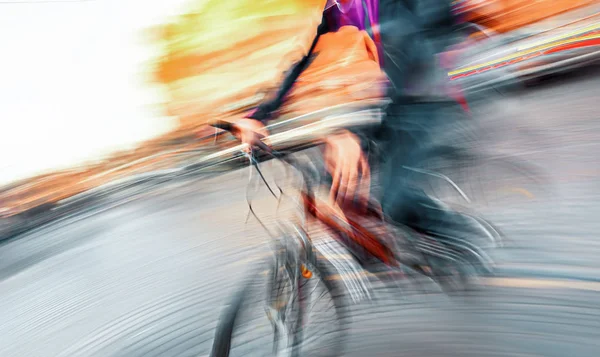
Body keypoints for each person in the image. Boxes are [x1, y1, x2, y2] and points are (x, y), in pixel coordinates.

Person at [233, 0, 482, 263]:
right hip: (391, 102)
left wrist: (350, 135)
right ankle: (379, 253)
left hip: (426, 96)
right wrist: (259, 117)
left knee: (396, 203)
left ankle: (466, 246)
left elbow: (417, 46)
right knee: (327, 184)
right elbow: (302, 60)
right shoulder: (338, 7)